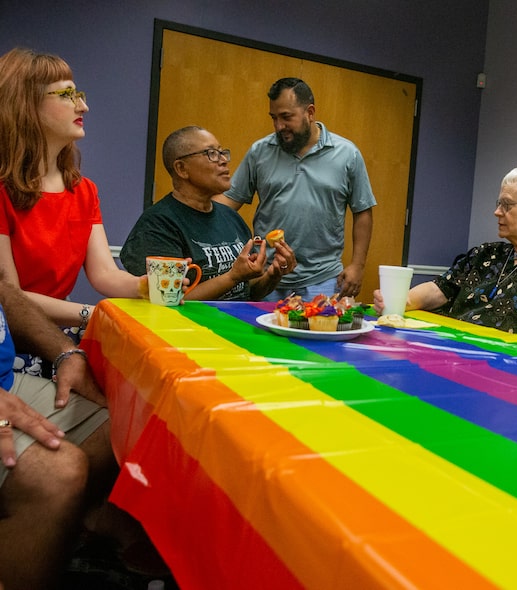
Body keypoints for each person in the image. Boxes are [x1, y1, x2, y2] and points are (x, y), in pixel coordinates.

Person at [0, 48, 147, 374]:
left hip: (57, 335)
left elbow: (105, 274)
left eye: (78, 94)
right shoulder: (2, 191)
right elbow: (10, 299)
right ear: (24, 105)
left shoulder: (84, 190)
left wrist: (147, 286)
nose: (83, 106)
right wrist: (91, 313)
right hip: (13, 344)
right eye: (67, 95)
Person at [373, 165, 517, 353]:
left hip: (512, 368)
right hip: (451, 353)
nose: (497, 212)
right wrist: (400, 300)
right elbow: (439, 289)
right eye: (498, 204)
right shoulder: (485, 254)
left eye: (507, 205)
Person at [213, 77, 376, 300]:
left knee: (324, 333)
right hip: (268, 276)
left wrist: (357, 266)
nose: (279, 126)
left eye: (286, 117)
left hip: (325, 279)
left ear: (310, 112)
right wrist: (188, 209)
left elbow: (362, 211)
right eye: (274, 118)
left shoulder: (347, 154)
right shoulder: (260, 151)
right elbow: (229, 202)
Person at [0, 276, 112, 588]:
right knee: (58, 473)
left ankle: (50, 538)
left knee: (115, 429)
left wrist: (66, 352)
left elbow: (3, 291)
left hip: (8, 382)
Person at [119, 126, 297, 300]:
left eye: (222, 152)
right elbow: (169, 299)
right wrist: (232, 277)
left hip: (233, 325)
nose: (223, 160)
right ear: (181, 168)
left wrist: (273, 274)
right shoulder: (157, 225)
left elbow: (247, 292)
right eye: (211, 153)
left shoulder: (230, 217)